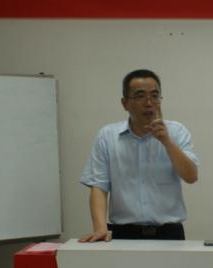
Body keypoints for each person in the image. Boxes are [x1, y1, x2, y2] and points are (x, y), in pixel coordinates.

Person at [79, 69, 199, 242]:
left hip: (169, 233)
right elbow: (99, 186)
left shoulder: (177, 132)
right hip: (123, 233)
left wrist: (166, 141)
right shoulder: (107, 136)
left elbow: (191, 176)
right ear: (125, 103)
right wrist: (100, 228)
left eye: (155, 96)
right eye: (140, 96)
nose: (149, 103)